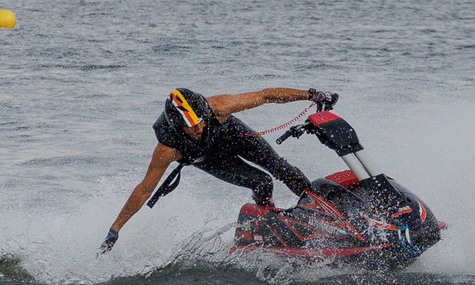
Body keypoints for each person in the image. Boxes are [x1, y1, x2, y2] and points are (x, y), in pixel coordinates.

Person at [101, 86, 338, 253]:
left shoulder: (217, 107)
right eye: (190, 127)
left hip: (233, 136)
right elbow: (144, 190)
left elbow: (265, 96)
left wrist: (311, 94)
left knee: (282, 169)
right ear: (176, 127)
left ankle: (328, 214)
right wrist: (115, 229)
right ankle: (271, 228)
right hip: (209, 158)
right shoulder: (167, 148)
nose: (198, 129)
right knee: (262, 182)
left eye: (200, 121)